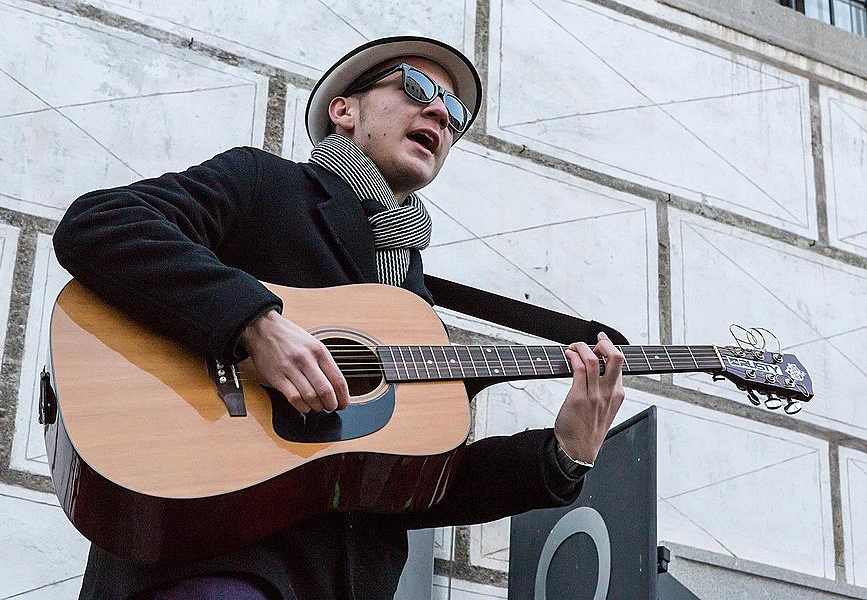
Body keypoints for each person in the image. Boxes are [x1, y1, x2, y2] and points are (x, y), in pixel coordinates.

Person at [53, 36, 625, 600]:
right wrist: (254, 323)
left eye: (454, 111)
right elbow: (102, 222)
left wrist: (562, 454)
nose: (438, 113)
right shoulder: (268, 186)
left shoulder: (408, 295)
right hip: (209, 565)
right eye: (418, 87)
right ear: (343, 110)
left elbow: (416, 485)